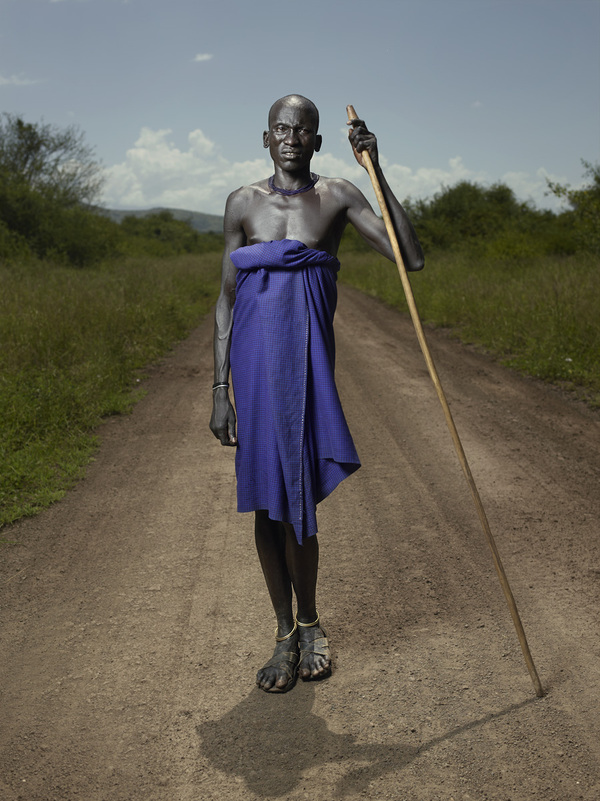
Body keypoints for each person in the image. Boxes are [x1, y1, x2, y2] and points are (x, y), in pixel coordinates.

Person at [210, 94, 424, 693]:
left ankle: (310, 624)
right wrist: (220, 386)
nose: (291, 137)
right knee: (264, 501)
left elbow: (410, 257)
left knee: (298, 500)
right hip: (252, 375)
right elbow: (226, 299)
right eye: (281, 128)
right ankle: (283, 634)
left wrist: (375, 171)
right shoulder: (242, 204)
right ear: (265, 137)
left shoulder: (337, 197)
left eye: (303, 130)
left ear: (318, 141)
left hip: (306, 374)